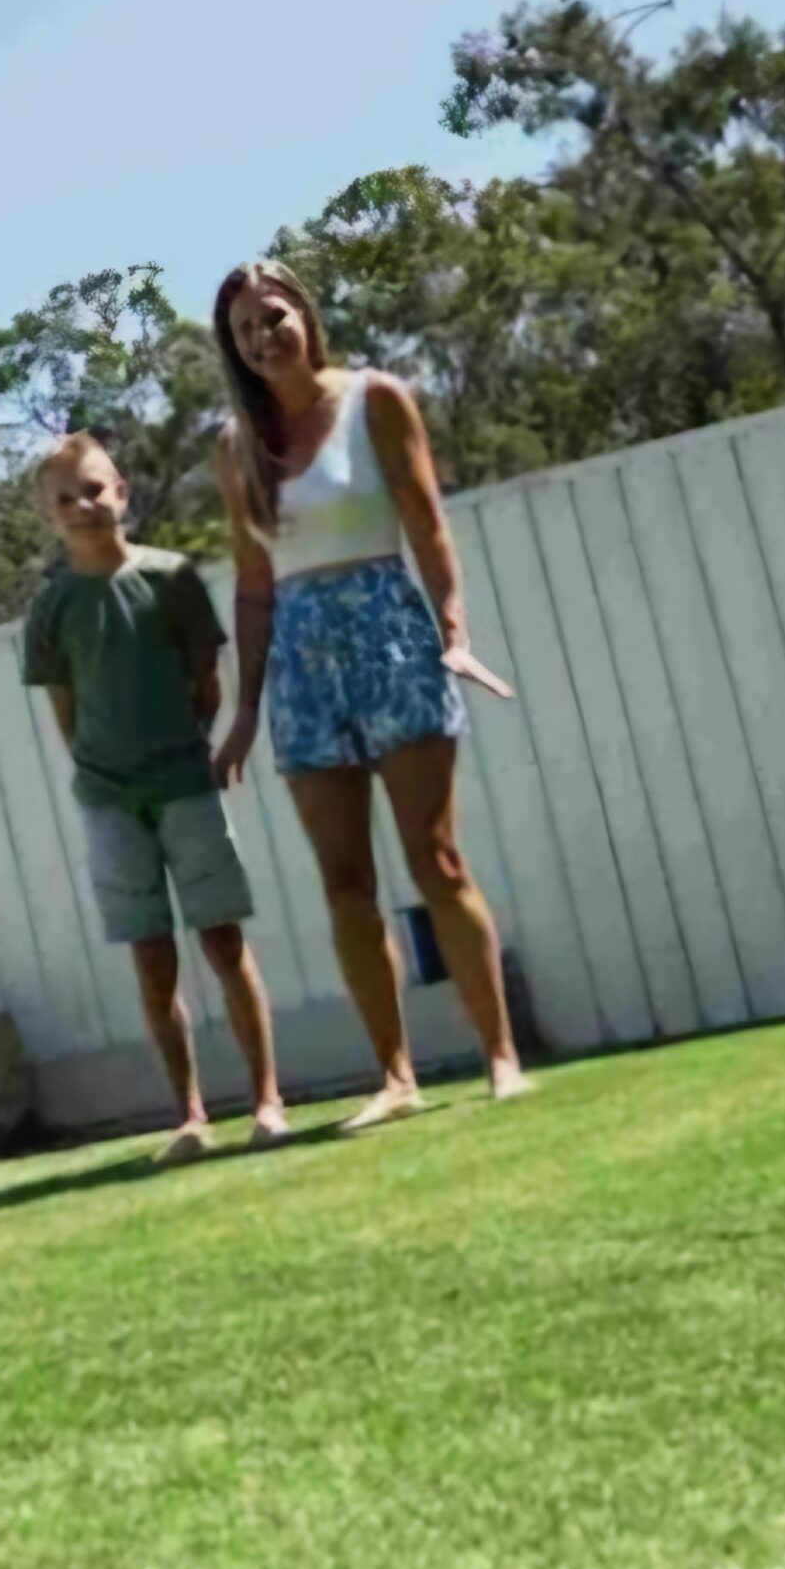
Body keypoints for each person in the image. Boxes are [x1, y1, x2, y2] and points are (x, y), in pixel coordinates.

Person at [208, 260, 530, 1128]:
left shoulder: (374, 398)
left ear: (304, 313)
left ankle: (501, 1057)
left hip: (390, 632)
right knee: (344, 880)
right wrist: (244, 713)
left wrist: (452, 631)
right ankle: (395, 1077)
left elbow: (427, 522)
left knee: (436, 858)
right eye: (244, 330)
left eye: (272, 316)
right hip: (304, 667)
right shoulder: (237, 445)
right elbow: (251, 583)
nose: (262, 337)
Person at [22, 433, 288, 1166]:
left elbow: (207, 682)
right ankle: (190, 1116)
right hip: (109, 802)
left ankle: (267, 1101)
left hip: (185, 786)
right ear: (46, 512)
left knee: (224, 943)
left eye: (94, 489)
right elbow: (67, 712)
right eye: (65, 496)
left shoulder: (172, 578)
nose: (83, 505)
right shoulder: (51, 608)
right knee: (152, 960)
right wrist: (105, 772)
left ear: (123, 490)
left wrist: (185, 749)